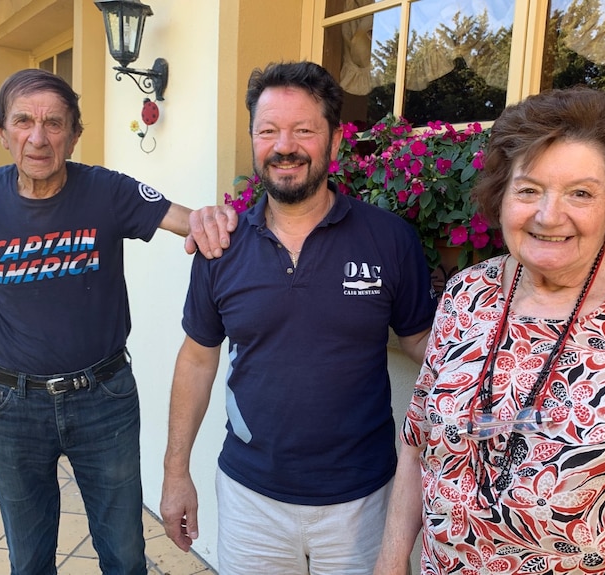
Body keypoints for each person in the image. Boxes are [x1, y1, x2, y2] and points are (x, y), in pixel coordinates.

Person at [374, 87, 605, 575]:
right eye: (528, 189)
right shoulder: (466, 294)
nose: (549, 216)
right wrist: (390, 563)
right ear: (501, 196)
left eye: (581, 193)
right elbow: (417, 441)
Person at [0, 68, 236, 575]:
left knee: (123, 556)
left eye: (55, 123)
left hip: (104, 401)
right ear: (2, 133)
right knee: (29, 562)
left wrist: (216, 219)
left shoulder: (107, 191)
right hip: (11, 406)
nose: (38, 137)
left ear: (75, 135)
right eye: (24, 121)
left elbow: (191, 223)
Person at [160, 61, 437, 574]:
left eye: (304, 130)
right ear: (253, 141)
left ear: (334, 143)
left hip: (363, 498)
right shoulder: (220, 246)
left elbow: (425, 345)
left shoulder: (389, 239)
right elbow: (197, 361)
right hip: (251, 498)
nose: (284, 145)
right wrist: (176, 471)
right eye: (268, 131)